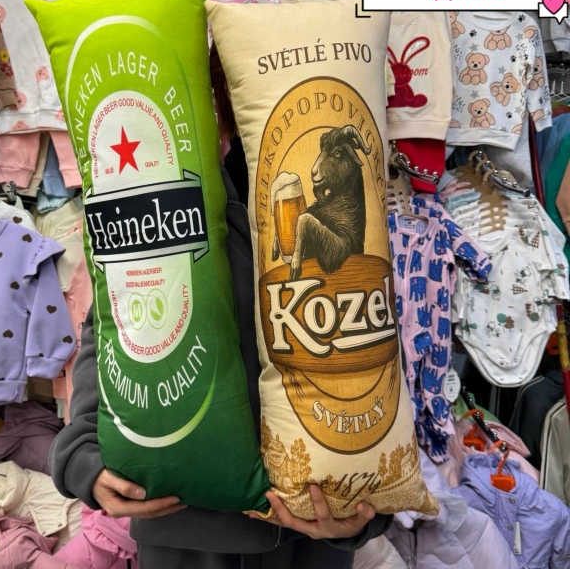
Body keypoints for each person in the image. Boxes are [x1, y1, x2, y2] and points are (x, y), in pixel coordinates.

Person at [48, 156, 393, 569]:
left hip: (314, 531)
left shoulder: (324, 167)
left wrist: (370, 509)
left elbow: (374, 328)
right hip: (187, 528)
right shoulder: (159, 174)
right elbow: (116, 322)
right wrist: (82, 455)